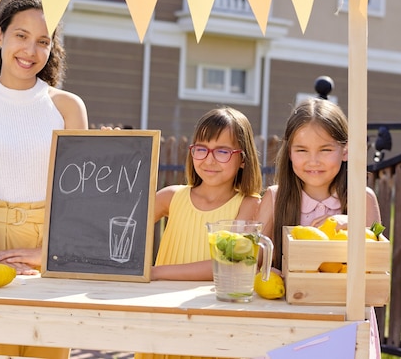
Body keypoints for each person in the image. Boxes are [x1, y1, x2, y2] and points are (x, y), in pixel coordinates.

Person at [0, 0, 88, 358]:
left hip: (50, 241)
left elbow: (76, 197)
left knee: (48, 348)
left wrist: (48, 253)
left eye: (43, 41)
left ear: (51, 48)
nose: (30, 50)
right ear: (0, 36)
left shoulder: (68, 106)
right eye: (21, 36)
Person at [256, 97, 381, 359]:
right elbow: (255, 262)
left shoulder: (362, 199)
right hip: (285, 327)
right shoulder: (275, 198)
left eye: (325, 150)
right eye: (301, 150)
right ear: (289, 152)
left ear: (345, 151)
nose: (313, 161)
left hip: (346, 327)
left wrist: (356, 229)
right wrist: (273, 272)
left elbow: (376, 268)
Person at [149, 107, 263, 282]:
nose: (209, 160)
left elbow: (228, 263)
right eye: (202, 149)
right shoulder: (170, 197)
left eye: (222, 151)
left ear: (243, 159)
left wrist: (154, 272)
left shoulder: (250, 205)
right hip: (160, 303)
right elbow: (116, 225)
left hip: (211, 306)